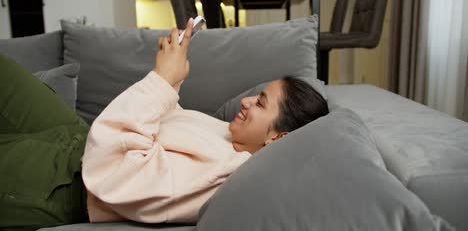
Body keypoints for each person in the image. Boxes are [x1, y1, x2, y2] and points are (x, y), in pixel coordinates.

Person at [0, 18, 328, 231]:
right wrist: (173, 78)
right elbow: (168, 125)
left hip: (71, 182)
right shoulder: (229, 135)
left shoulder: (224, 174)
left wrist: (161, 80)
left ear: (277, 137)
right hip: (80, 137)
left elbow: (117, 171)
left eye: (260, 104)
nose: (245, 101)